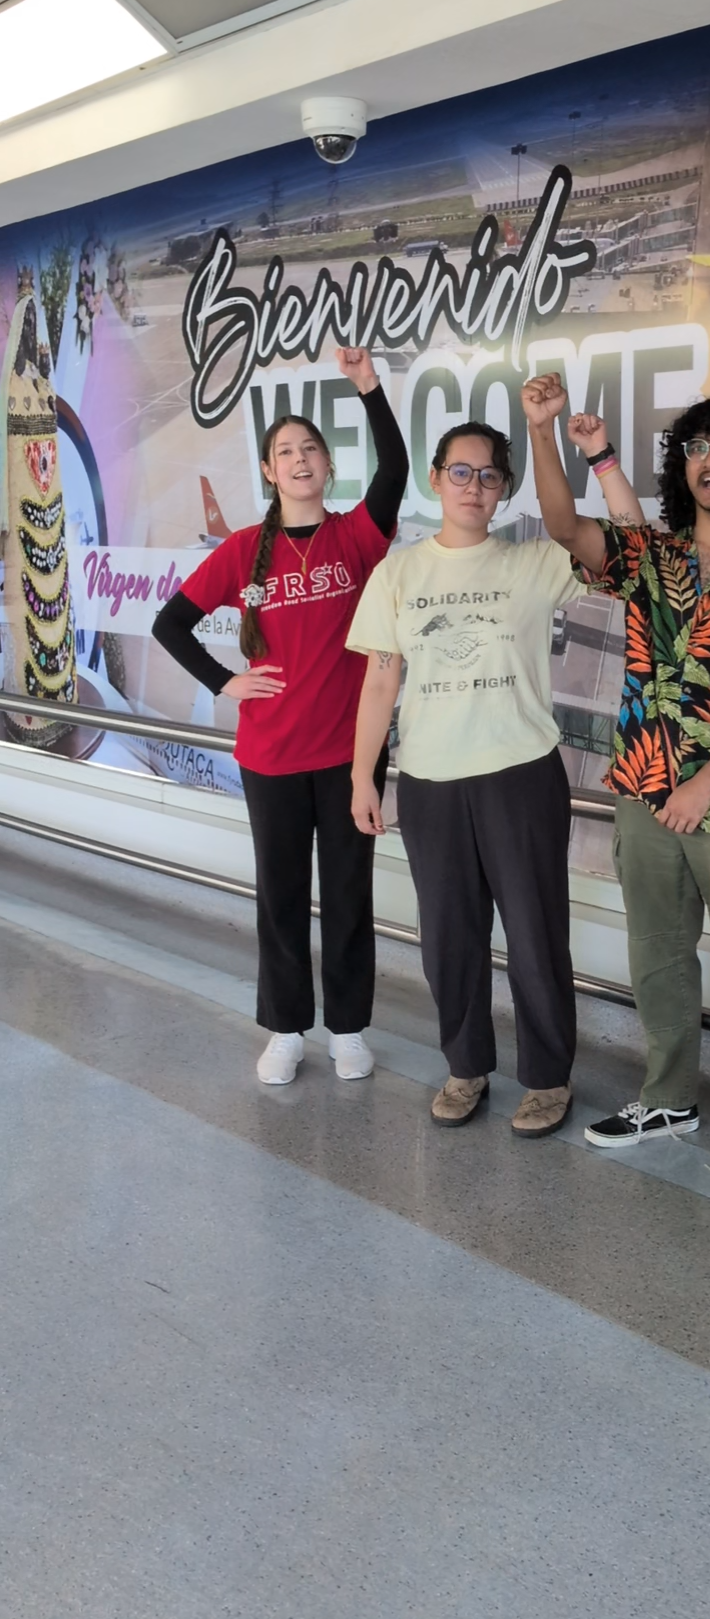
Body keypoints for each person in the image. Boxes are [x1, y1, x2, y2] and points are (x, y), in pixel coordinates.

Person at [523, 371, 710, 1194]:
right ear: (680, 466)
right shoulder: (648, 557)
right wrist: (543, 430)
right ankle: (665, 1097)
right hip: (640, 793)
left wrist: (708, 781)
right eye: (697, 446)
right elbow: (561, 523)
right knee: (657, 959)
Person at [347, 417, 639, 1138]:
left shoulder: (534, 563)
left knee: (536, 933)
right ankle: (465, 1064)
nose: (472, 486)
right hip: (429, 777)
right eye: (459, 471)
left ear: (503, 490)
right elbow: (381, 681)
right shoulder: (400, 572)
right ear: (436, 478)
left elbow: (632, 541)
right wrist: (363, 776)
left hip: (518, 774)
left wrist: (570, 445)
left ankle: (545, 1077)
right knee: (448, 934)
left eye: (487, 475)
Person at [153, 346, 407, 1086]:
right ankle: (288, 1028)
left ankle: (349, 1029)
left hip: (349, 757)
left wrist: (368, 388)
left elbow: (392, 470)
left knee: (351, 896)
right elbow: (172, 622)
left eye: (308, 450)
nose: (297, 459)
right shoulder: (241, 553)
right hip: (269, 758)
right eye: (283, 451)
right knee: (282, 896)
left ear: (326, 466)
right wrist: (224, 682)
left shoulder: (356, 538)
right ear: (268, 471)